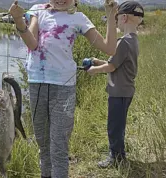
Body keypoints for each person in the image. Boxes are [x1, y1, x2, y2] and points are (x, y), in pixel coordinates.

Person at [9, 0, 118, 177]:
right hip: (36, 84)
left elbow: (109, 48)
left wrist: (112, 16)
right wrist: (19, 20)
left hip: (63, 88)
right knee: (43, 144)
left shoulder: (79, 18)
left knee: (59, 146)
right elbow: (32, 44)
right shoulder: (38, 10)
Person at [86, 1, 144, 168]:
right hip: (126, 90)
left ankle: (116, 158)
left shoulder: (123, 42)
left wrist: (94, 70)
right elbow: (117, 64)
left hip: (119, 92)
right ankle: (118, 153)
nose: (116, 22)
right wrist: (98, 62)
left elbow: (111, 66)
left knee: (114, 127)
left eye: (117, 18)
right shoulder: (133, 40)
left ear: (124, 18)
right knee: (119, 124)